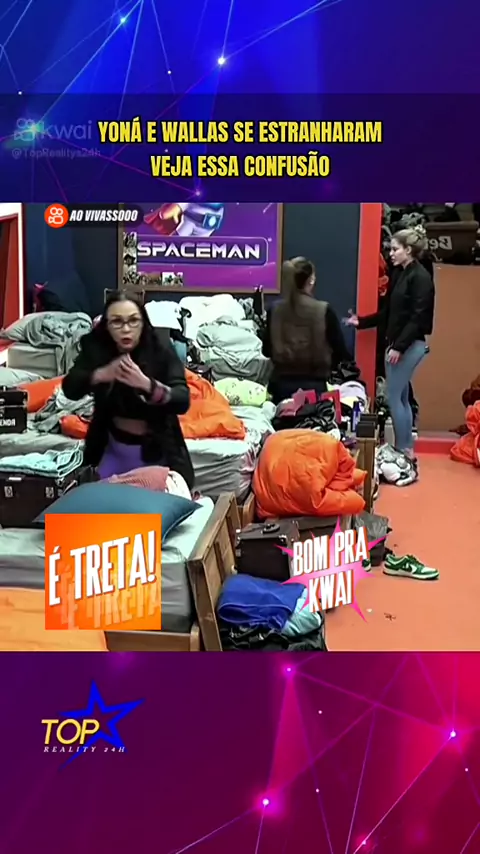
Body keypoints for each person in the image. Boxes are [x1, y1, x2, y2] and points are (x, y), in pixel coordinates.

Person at [62, 292, 194, 488]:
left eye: (133, 321)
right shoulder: (97, 346)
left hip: (157, 450)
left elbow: (182, 400)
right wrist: (101, 374)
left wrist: (147, 385)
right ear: (106, 325)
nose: (126, 329)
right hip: (110, 447)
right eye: (117, 322)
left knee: (151, 507)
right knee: (94, 503)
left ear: (143, 322)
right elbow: (70, 388)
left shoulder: (160, 346)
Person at [344, 227, 435, 470]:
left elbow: (418, 318)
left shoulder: (421, 278)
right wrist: (362, 322)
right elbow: (389, 313)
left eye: (395, 249)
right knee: (400, 396)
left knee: (395, 396)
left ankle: (404, 449)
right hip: (398, 344)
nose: (390, 253)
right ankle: (405, 448)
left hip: (408, 346)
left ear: (409, 250)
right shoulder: (400, 274)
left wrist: (399, 347)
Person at [262, 256, 351, 404]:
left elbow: (266, 350)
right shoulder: (323, 310)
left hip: (280, 387)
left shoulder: (275, 310)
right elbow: (341, 351)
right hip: (315, 388)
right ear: (311, 280)